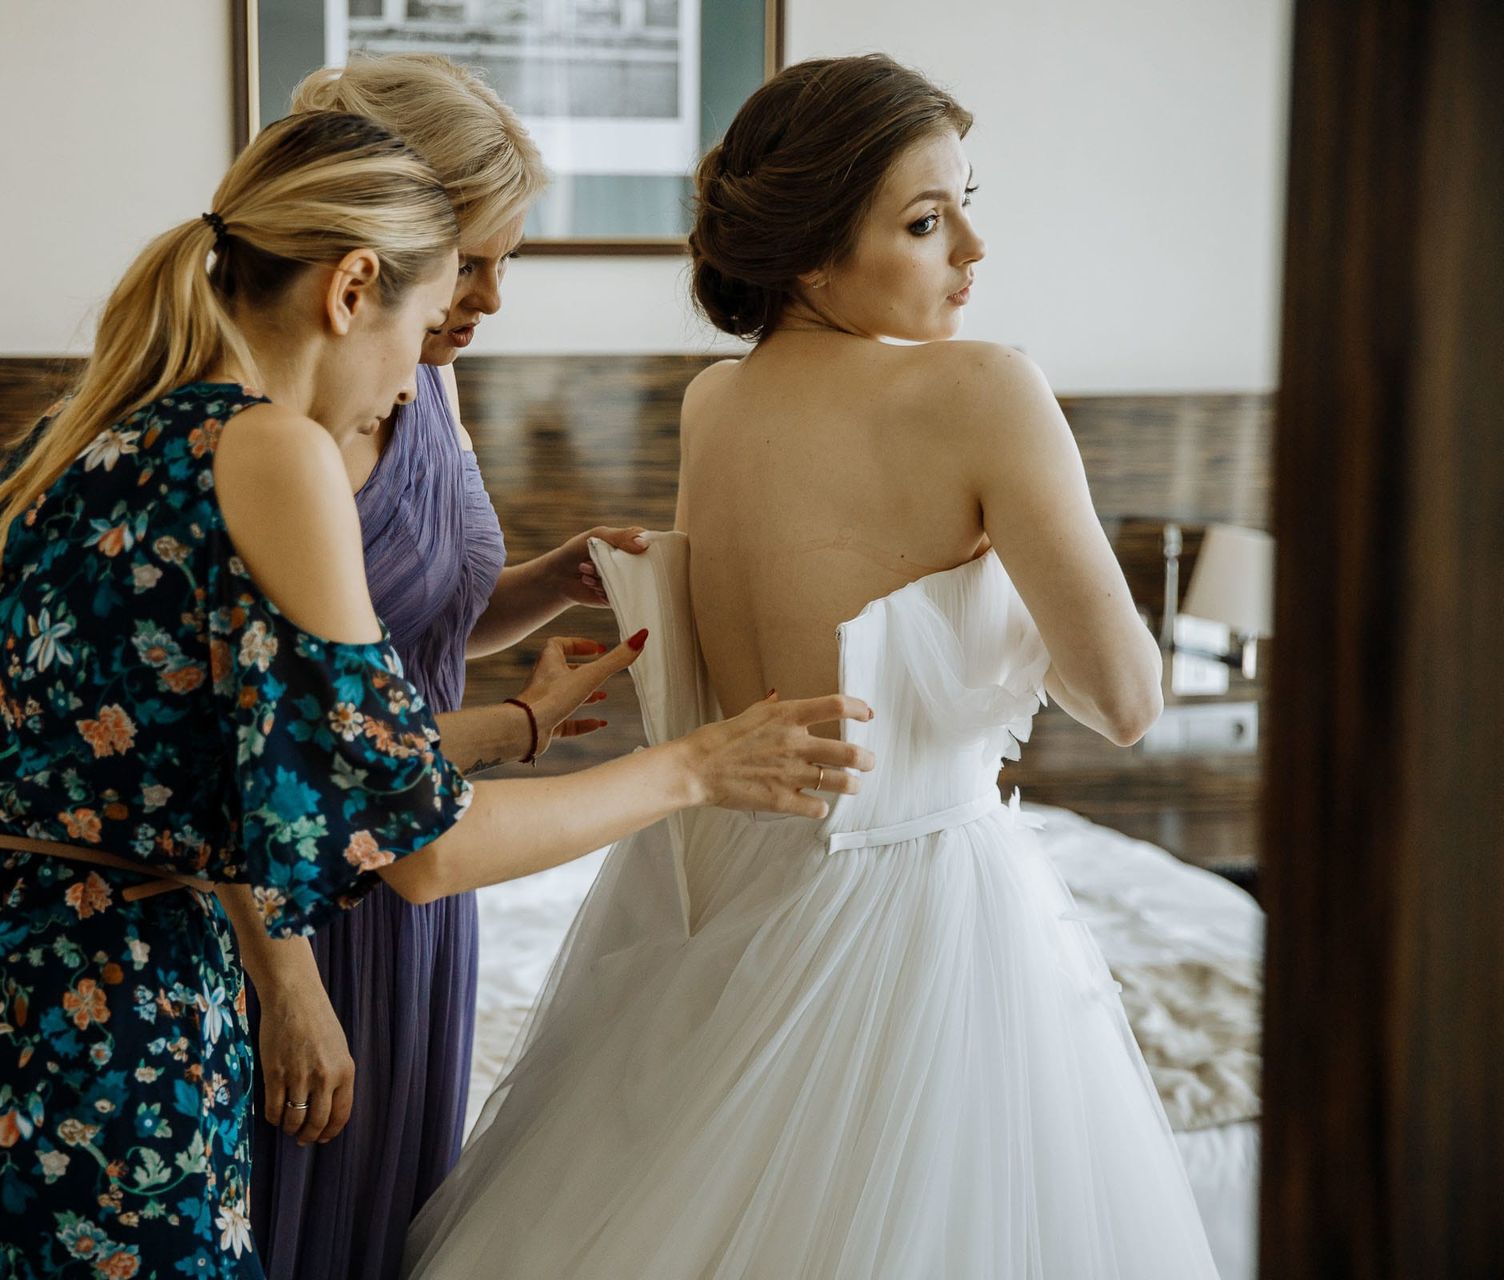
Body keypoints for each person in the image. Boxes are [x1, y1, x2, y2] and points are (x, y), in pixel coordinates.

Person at [0, 108, 871, 1278]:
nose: (413, 385)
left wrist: (520, 723)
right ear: (352, 286)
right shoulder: (270, 449)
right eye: (425, 326)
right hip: (101, 1034)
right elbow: (417, 847)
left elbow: (283, 767)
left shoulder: (88, 442)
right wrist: (696, 765)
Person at [405, 56, 1222, 1278]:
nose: (975, 251)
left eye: (965, 204)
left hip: (718, 876)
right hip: (912, 895)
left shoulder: (713, 403)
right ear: (807, 259)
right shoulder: (987, 387)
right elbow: (1124, 699)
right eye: (927, 221)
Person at [230, 54, 643, 1280]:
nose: (495, 297)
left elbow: (407, 635)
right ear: (378, 249)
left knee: (390, 1209)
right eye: (474, 261)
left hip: (420, 869)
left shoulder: (424, 377)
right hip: (305, 890)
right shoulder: (276, 434)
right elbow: (253, 743)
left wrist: (543, 580)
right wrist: (285, 980)